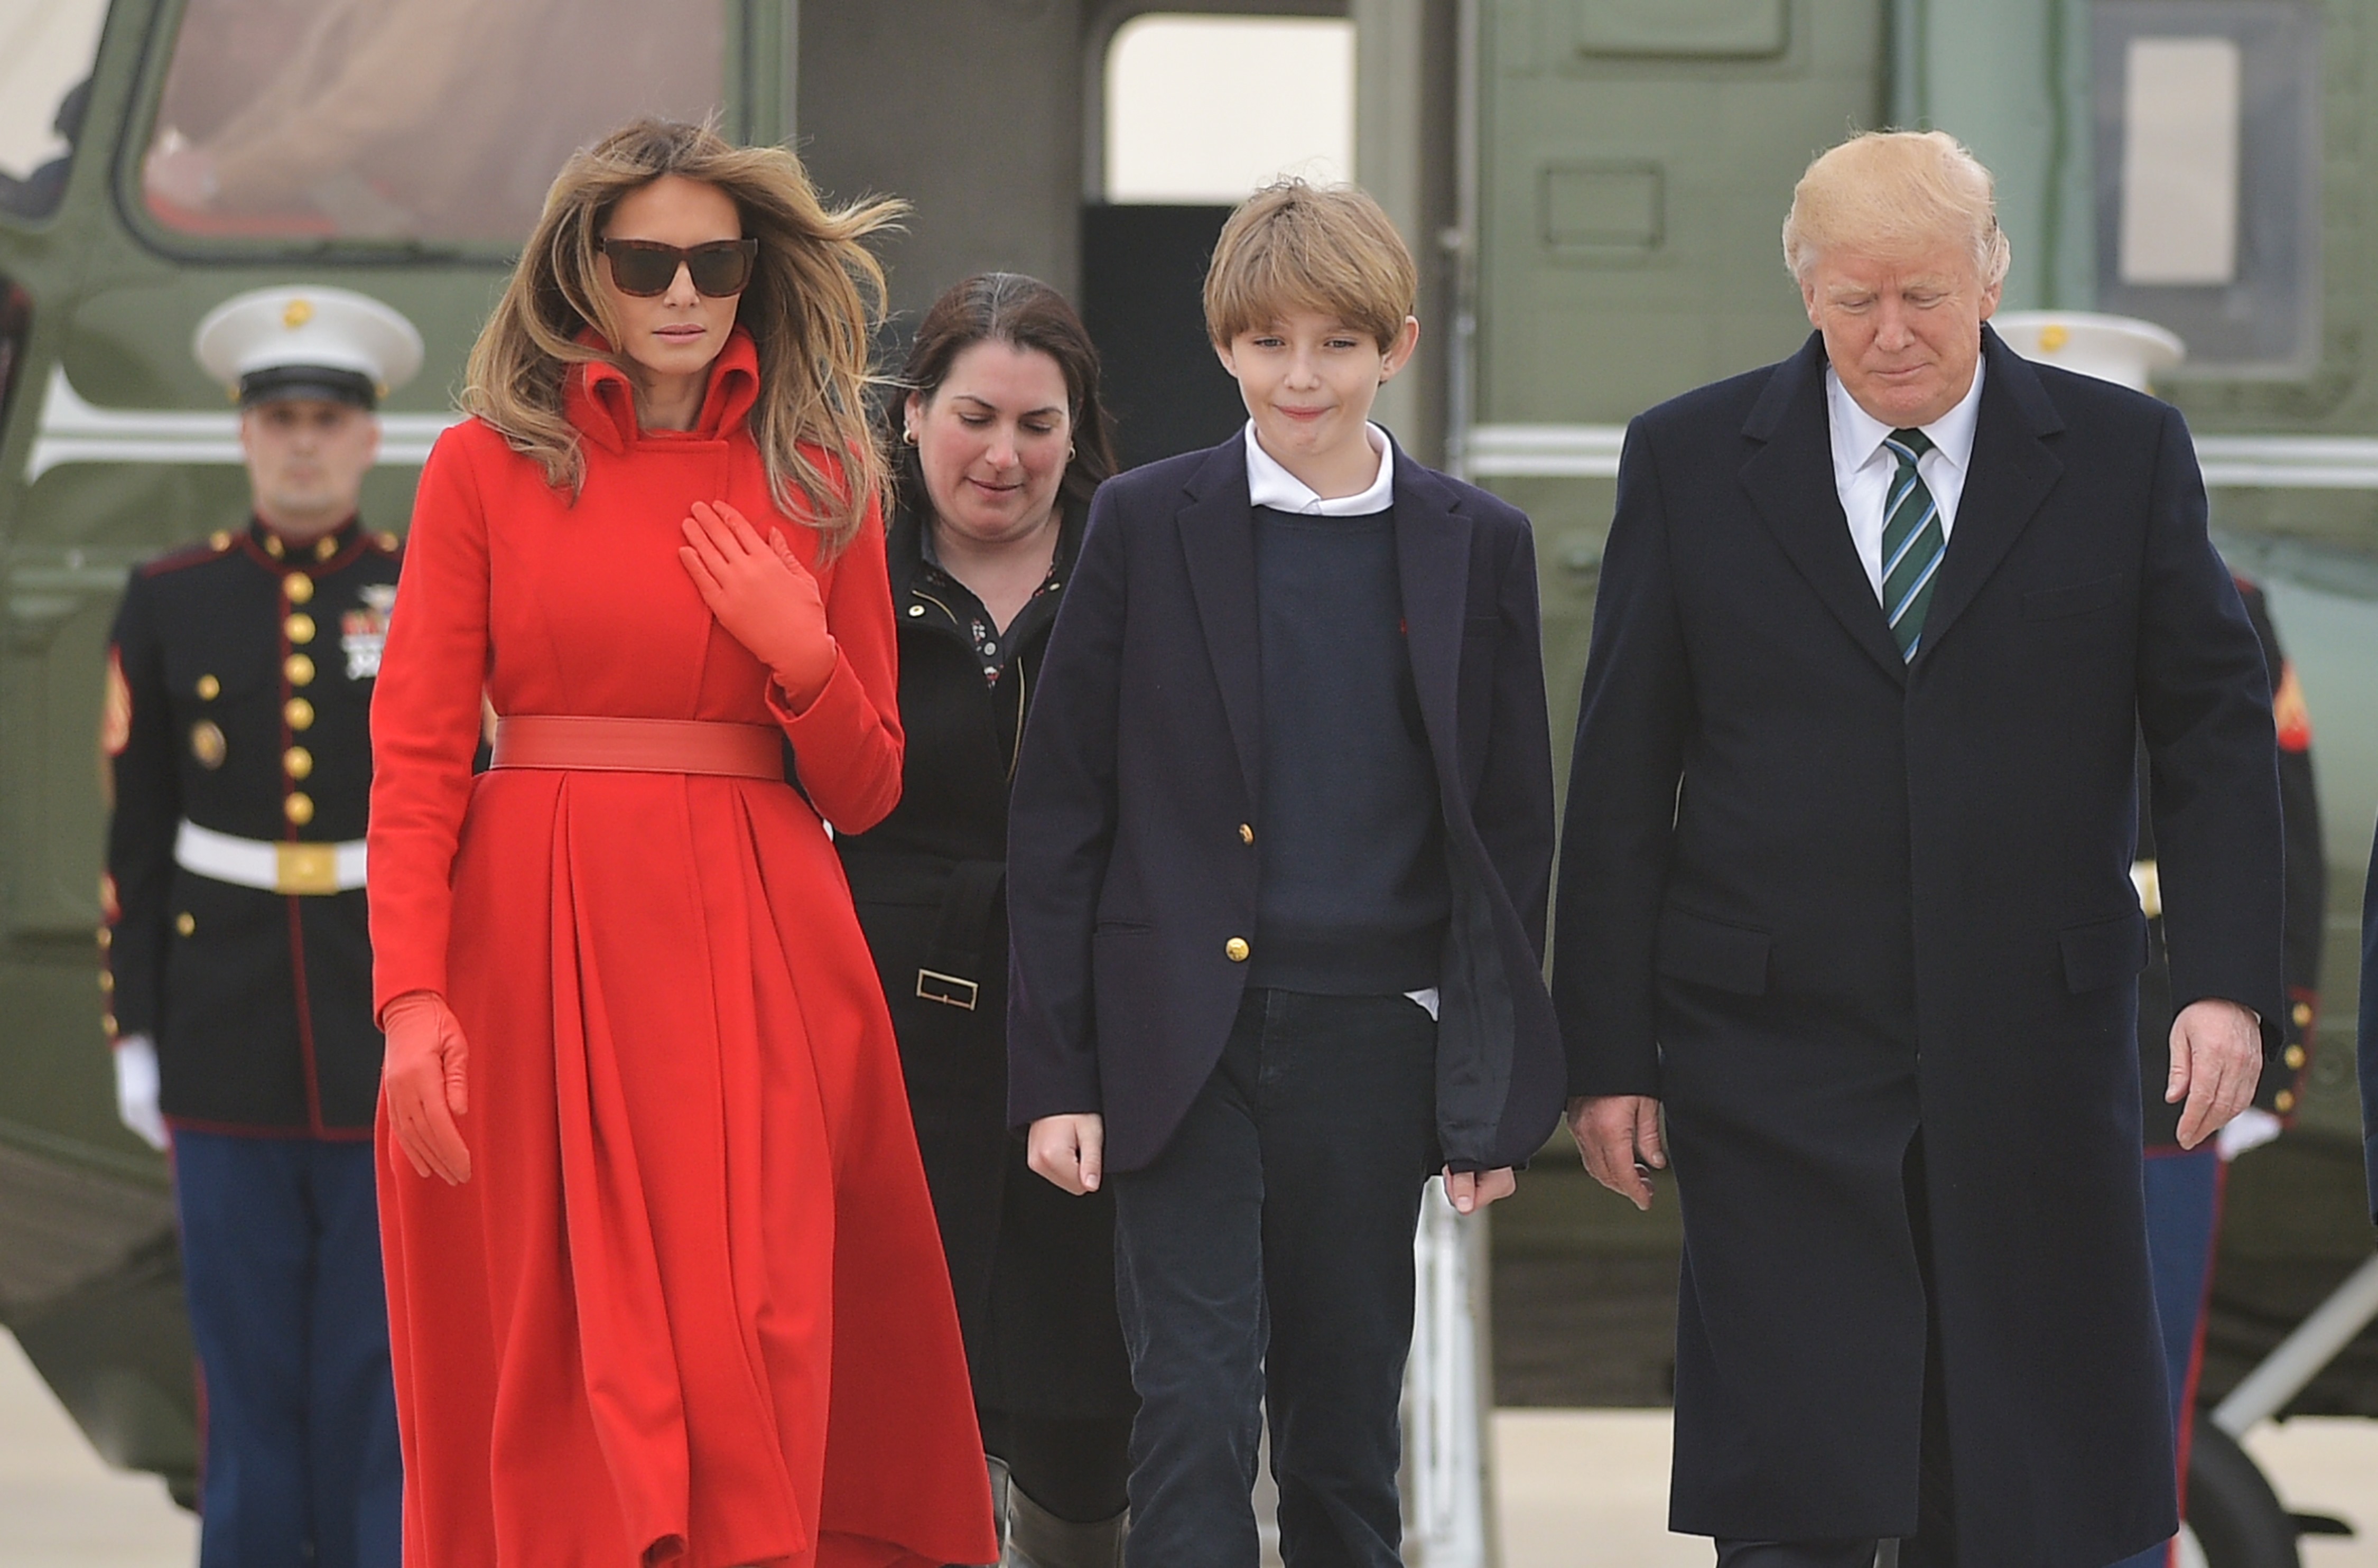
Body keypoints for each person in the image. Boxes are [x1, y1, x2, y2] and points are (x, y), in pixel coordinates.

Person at [1553, 129, 2284, 1568]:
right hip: (1767, 1064)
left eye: (1926, 297)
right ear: (1803, 289)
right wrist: (1609, 1057)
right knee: (1795, 1492)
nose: (1889, 336)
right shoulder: (1689, 460)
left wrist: (2219, 983)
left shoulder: (2122, 454)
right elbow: (1626, 776)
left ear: (1989, 273)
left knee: (2022, 1493)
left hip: (2036, 1055)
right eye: (1851, 302)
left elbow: (2211, 730)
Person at [365, 119, 995, 1568]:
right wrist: (410, 999)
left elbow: (872, 786)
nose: (683, 291)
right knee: (554, 1335)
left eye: (715, 261)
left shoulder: (826, 467)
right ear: (581, 270)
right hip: (529, 940)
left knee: (756, 1323)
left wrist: (804, 657)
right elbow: (412, 761)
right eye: (644, 259)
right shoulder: (478, 469)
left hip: (756, 936)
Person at [1007, 179, 1566, 1568]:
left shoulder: (1472, 543)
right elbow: (1062, 809)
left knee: (1339, 1436)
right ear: (1222, 349)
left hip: (1374, 1042)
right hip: (1179, 1047)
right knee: (1191, 1413)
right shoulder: (1143, 521)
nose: (1299, 376)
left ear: (1397, 347)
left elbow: (1505, 832)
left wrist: (1486, 1096)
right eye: (1267, 343)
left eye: (1333, 343)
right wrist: (1059, 1074)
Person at [103, 282, 421, 1568]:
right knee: (244, 1378)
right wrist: (135, 1031)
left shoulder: (423, 592)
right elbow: (135, 834)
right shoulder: (170, 598)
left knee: (377, 1374)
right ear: (244, 433)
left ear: (365, 437)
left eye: (326, 420)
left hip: (380, 1032)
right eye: (280, 417)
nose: (302, 441)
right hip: (221, 1034)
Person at [835, 272, 1136, 1567]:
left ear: (1079, 435)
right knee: (895, 1384)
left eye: (1037, 425)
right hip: (880, 1019)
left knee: (1083, 1404)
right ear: (910, 415)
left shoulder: (1141, 566)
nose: (1003, 455)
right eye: (974, 416)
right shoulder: (844, 558)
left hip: (1085, 1024)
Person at [2115, 577, 2321, 1568]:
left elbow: (2279, 829)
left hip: (2165, 1060)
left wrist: (2267, 1065)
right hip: (1981, 1041)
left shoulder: (2222, 602)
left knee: (2139, 1383)